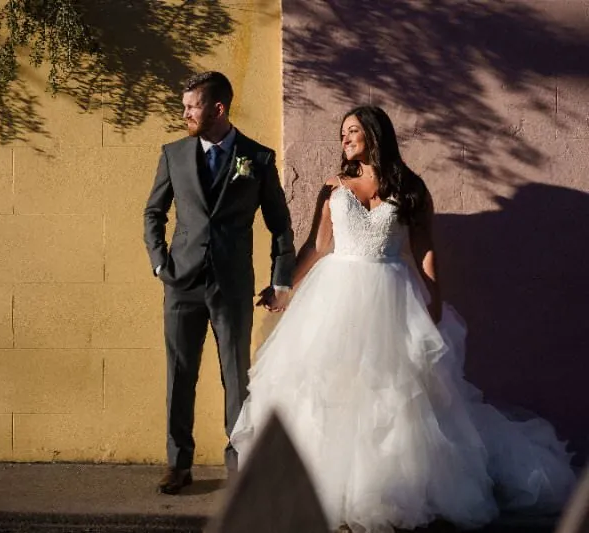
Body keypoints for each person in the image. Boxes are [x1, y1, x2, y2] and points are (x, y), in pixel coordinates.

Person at [230, 106, 576, 531]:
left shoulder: (411, 188)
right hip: (335, 297)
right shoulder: (332, 187)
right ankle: (327, 488)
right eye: (343, 133)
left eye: (353, 130)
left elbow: (424, 248)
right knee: (329, 391)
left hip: (392, 298)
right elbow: (317, 247)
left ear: (375, 135)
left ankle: (388, 490)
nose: (345, 138)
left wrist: (434, 297)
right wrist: (284, 287)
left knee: (395, 399)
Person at [143, 71, 296, 495]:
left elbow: (280, 224)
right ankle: (179, 463)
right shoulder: (173, 154)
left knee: (236, 374)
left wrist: (280, 280)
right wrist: (161, 265)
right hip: (182, 283)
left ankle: (240, 461)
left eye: (192, 106)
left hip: (231, 286)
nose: (185, 112)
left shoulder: (257, 158)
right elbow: (153, 213)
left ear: (218, 108)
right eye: (185, 105)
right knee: (180, 372)